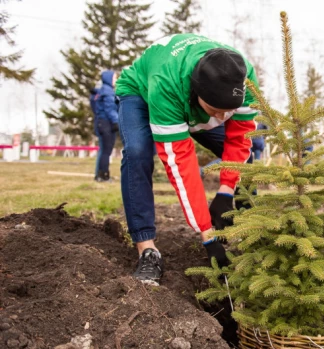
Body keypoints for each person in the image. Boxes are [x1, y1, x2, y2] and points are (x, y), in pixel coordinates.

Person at [115, 34, 259, 286]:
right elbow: (183, 168)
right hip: (143, 93)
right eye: (217, 111)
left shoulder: (243, 76)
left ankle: (253, 229)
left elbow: (240, 140)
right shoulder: (166, 84)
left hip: (193, 104)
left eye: (229, 111)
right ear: (197, 92)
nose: (223, 117)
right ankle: (146, 248)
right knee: (137, 152)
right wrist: (207, 236)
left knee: (242, 157)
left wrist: (225, 193)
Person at [95, 70, 119, 182]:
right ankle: (103, 175)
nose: (116, 80)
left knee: (103, 150)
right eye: (114, 78)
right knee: (106, 151)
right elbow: (110, 109)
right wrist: (116, 121)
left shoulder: (102, 90)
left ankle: (100, 174)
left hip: (101, 122)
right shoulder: (108, 91)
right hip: (106, 123)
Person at [89, 84, 101, 180]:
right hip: (103, 123)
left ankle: (98, 173)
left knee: (102, 150)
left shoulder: (94, 97)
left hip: (98, 123)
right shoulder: (101, 94)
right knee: (104, 150)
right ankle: (100, 174)